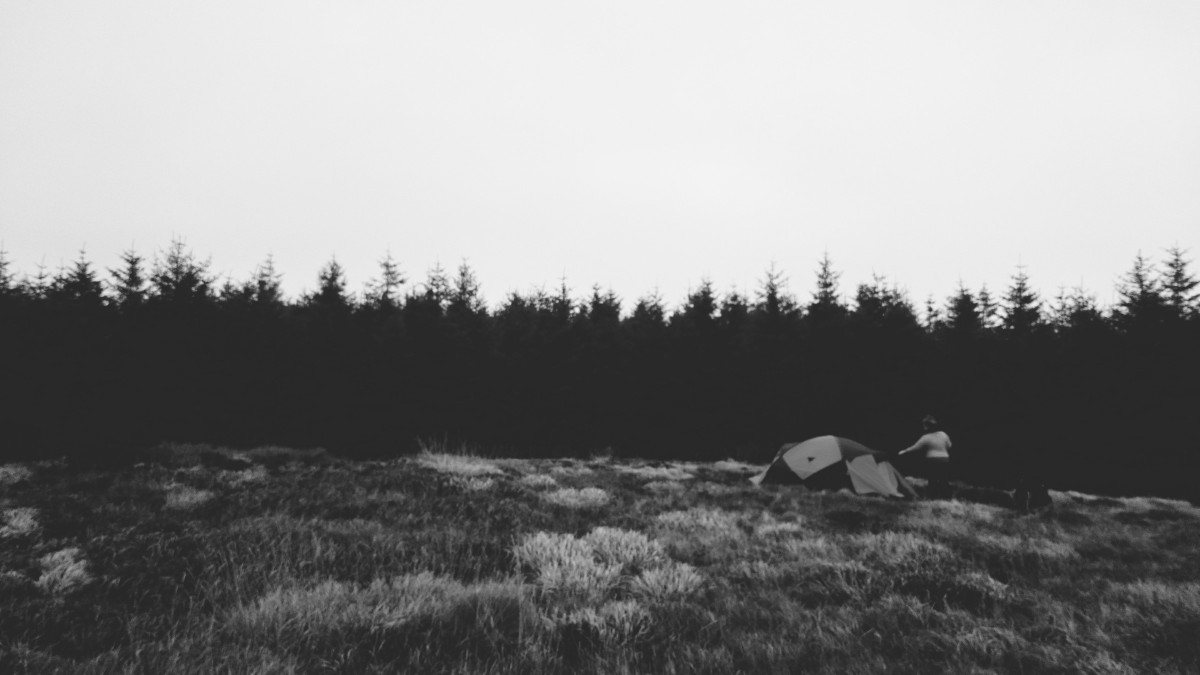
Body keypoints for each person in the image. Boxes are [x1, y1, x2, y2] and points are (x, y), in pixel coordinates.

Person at [897, 415, 952, 498]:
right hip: (944, 459)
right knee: (943, 479)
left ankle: (933, 497)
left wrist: (904, 451)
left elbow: (915, 447)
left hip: (932, 460)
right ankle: (947, 497)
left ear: (926, 426)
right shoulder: (943, 434)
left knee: (932, 479)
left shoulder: (925, 438)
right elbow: (949, 445)